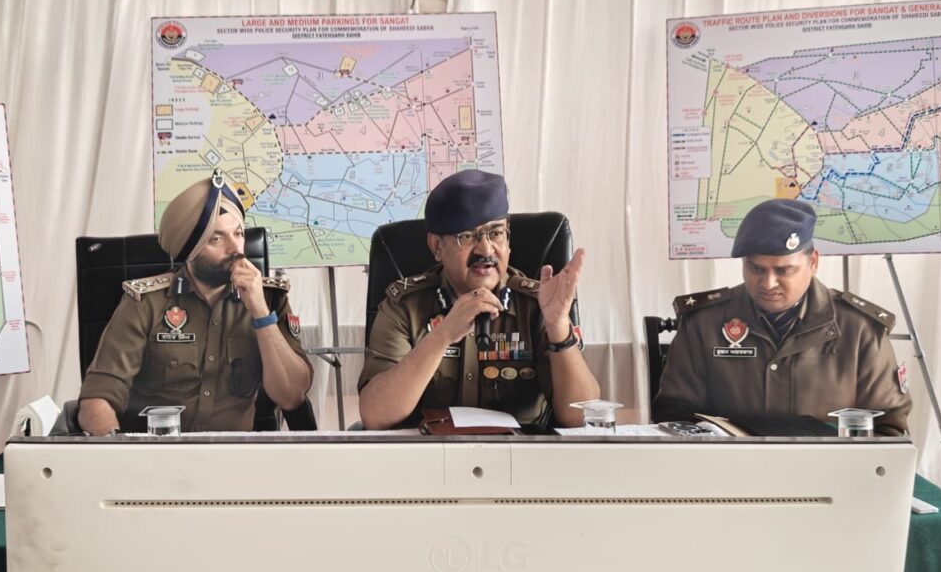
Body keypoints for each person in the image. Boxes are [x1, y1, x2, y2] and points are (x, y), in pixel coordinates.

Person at [358, 169, 600, 430]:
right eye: (467, 236)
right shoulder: (404, 306)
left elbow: (581, 417)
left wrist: (558, 327)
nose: (485, 249)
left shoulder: (537, 304)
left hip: (521, 451)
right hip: (429, 451)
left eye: (496, 233)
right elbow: (376, 415)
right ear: (437, 246)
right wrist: (441, 336)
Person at [78, 171, 312, 435]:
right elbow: (97, 399)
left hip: (234, 453)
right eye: (216, 239)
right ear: (190, 248)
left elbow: (292, 397)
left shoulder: (270, 299)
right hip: (157, 452)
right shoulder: (146, 302)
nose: (235, 249)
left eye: (238, 233)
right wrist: (122, 454)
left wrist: (260, 312)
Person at [653, 198, 911, 435]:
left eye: (784, 270)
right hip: (730, 466)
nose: (768, 283)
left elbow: (888, 429)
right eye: (756, 269)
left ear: (813, 262)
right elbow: (674, 416)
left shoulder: (860, 329)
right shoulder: (703, 324)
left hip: (827, 469)